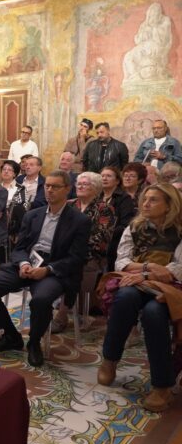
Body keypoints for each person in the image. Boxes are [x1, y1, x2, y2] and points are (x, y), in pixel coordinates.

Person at [0, 171, 91, 367]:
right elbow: (20, 247)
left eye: (55, 187)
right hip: (28, 264)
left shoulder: (79, 221)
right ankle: (11, 336)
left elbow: (76, 258)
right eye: (47, 186)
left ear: (67, 189)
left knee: (40, 300)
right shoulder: (33, 215)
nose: (50, 190)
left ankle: (34, 342)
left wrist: (47, 270)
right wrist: (23, 263)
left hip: (55, 270)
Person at [98, 184, 182, 412]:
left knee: (154, 313)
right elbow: (121, 262)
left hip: (169, 288)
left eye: (153, 200)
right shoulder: (134, 227)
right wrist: (149, 267)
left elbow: (176, 269)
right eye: (145, 199)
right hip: (134, 281)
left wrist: (145, 274)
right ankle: (110, 359)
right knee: (125, 297)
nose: (145, 204)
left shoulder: (179, 230)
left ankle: (162, 385)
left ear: (169, 206)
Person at [50, 172, 116, 333]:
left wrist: (74, 250)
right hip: (65, 253)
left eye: (84, 184)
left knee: (74, 266)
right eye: (78, 183)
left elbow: (102, 236)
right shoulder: (69, 205)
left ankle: (61, 315)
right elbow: (56, 230)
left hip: (90, 255)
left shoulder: (104, 209)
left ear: (95, 188)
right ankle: (47, 304)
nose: (79, 186)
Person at [100, 166, 135, 272]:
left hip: (114, 239)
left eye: (108, 176)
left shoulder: (124, 198)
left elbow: (125, 224)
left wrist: (106, 234)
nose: (104, 178)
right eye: (102, 176)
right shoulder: (96, 196)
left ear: (117, 181)